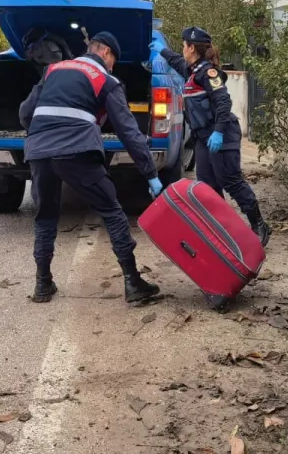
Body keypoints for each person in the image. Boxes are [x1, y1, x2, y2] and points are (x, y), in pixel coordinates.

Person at [18, 32, 163, 304]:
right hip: (77, 149)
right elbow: (129, 132)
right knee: (111, 209)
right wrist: (151, 174)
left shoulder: (53, 70)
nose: (112, 67)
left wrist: (43, 133)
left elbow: (26, 113)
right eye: (113, 62)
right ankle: (133, 282)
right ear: (106, 53)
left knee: (46, 214)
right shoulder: (105, 80)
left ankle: (42, 284)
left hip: (38, 150)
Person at [150, 27, 272, 247]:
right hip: (203, 137)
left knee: (230, 181)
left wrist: (218, 132)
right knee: (207, 187)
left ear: (191, 48)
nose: (181, 49)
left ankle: (259, 224)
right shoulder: (193, 71)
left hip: (222, 133)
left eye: (183, 45)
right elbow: (179, 63)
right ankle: (223, 230)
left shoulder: (208, 73)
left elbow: (223, 102)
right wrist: (162, 51)